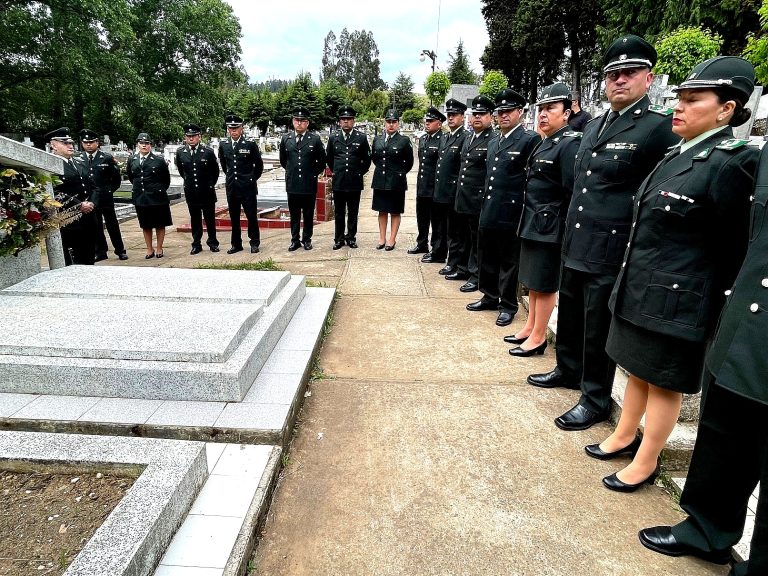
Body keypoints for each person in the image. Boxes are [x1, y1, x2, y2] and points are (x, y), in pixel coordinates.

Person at [585, 57, 759, 496]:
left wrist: (706, 297)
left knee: (663, 381)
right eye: (679, 98)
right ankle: (625, 434)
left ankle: (646, 459)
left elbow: (735, 242)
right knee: (636, 370)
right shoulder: (674, 155)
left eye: (692, 100)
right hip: (643, 285)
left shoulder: (730, 163)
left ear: (726, 109)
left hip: (679, 296)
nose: (678, 108)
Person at [526, 34, 679, 431]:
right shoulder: (594, 127)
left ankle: (594, 399)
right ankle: (568, 370)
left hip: (611, 248)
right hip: (577, 240)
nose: (619, 81)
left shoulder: (657, 129)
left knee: (597, 327)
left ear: (649, 78)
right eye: (613, 74)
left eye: (629, 73)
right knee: (573, 315)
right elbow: (581, 185)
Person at [639, 129, 766, 576]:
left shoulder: (735, 160)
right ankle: (707, 529)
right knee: (725, 433)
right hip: (748, 317)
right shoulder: (762, 157)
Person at [507, 83, 579, 354]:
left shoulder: (569, 144)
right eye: (541, 109)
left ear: (566, 113)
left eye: (551, 108)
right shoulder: (546, 141)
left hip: (550, 225)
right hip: (533, 221)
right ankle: (530, 327)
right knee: (533, 281)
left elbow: (571, 189)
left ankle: (538, 337)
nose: (544, 114)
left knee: (545, 283)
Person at [467, 89, 540, 326]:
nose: (504, 116)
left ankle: (508, 304)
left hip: (512, 210)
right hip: (489, 206)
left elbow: (532, 178)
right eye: (501, 112)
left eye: (509, 111)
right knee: (487, 254)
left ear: (520, 112)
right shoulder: (495, 140)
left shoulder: (529, 140)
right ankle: (490, 295)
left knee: (509, 259)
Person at [446, 95, 496, 292]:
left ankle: (476, 275)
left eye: (482, 114)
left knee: (477, 241)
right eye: (474, 114)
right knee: (463, 235)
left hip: (478, 199)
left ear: (491, 116)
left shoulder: (492, 139)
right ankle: (463, 267)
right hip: (464, 197)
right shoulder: (469, 138)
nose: (477, 117)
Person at [424, 99, 468, 270]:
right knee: (439, 226)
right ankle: (438, 252)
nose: (450, 118)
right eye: (449, 115)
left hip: (453, 191)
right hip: (440, 191)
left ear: (462, 117)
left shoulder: (464, 137)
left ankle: (453, 262)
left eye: (454, 115)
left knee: (454, 230)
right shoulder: (446, 137)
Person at [45, 127, 97, 265]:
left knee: (88, 257)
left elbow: (93, 186)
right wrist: (79, 205)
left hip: (88, 218)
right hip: (69, 219)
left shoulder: (79, 162)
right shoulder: (50, 165)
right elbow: (54, 192)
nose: (70, 146)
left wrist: (92, 202)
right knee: (73, 261)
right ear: (53, 145)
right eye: (65, 143)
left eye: (71, 143)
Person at [279, 106, 327, 251]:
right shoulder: (286, 139)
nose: (299, 123)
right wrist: (291, 172)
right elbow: (283, 160)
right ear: (293, 121)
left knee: (307, 213)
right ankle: (295, 240)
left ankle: (306, 239)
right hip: (293, 183)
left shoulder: (315, 139)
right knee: (294, 214)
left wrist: (313, 173)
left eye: (302, 121)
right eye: (297, 120)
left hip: (308, 183)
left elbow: (322, 160)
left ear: (307, 123)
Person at [325, 105, 371, 250]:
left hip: (354, 181)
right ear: (339, 121)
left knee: (353, 211)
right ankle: (338, 239)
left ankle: (351, 237)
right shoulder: (333, 138)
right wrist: (337, 172)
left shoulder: (361, 137)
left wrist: (358, 173)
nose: (346, 122)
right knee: (339, 212)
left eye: (349, 119)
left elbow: (367, 160)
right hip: (339, 181)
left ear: (353, 121)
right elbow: (330, 159)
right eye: (343, 119)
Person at [218, 113, 263, 254]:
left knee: (251, 216)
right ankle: (236, 244)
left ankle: (254, 242)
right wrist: (233, 178)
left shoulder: (249, 144)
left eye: (236, 128)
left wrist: (251, 178)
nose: (234, 130)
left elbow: (259, 165)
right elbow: (225, 166)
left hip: (248, 187)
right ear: (227, 129)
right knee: (234, 217)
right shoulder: (223, 145)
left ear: (241, 128)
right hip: (232, 187)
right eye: (231, 128)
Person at [80, 129, 126, 262]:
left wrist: (109, 191)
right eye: (86, 142)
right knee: (96, 226)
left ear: (97, 143)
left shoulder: (106, 158)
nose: (88, 145)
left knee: (112, 225)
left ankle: (120, 250)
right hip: (90, 199)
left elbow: (116, 178)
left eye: (91, 142)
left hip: (105, 198)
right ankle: (101, 251)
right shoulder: (79, 158)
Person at [370, 110, 414, 250]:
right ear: (384, 123)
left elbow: (409, 162)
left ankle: (392, 239)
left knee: (395, 211)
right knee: (381, 211)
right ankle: (382, 238)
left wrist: (398, 173)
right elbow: (375, 158)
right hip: (380, 180)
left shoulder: (404, 141)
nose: (391, 125)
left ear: (398, 124)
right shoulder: (377, 139)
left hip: (396, 182)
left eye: (394, 122)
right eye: (388, 122)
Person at [175, 123, 220, 255]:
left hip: (206, 191)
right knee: (195, 219)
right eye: (188, 136)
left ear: (199, 137)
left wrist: (209, 184)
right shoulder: (181, 152)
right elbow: (182, 171)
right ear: (185, 138)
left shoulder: (208, 152)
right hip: (191, 192)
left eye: (193, 136)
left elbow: (215, 172)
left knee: (210, 219)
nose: (191, 138)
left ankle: (213, 242)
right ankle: (196, 244)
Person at [126, 133, 171, 258]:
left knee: (159, 223)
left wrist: (157, 190)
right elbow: (132, 176)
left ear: (150, 145)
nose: (144, 146)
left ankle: (159, 248)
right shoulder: (132, 160)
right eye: (141, 143)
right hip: (141, 197)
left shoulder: (158, 160)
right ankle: (149, 249)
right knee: (145, 224)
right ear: (137, 145)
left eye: (146, 144)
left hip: (157, 197)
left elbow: (165, 179)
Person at [408, 106, 445, 255]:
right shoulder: (423, 139)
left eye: (431, 121)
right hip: (422, 185)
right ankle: (421, 243)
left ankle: (436, 248)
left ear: (439, 123)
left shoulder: (443, 139)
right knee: (421, 217)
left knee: (436, 221)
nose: (427, 123)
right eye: (426, 121)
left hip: (434, 186)